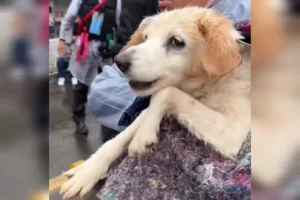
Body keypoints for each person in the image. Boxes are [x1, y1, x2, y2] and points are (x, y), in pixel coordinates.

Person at [88, 0, 251, 137]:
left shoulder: (251, 18)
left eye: (176, 42)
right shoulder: (158, 22)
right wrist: (159, 110)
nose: (160, 1)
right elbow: (103, 88)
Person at [58, 0, 121, 135]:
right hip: (86, 47)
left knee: (108, 86)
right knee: (82, 86)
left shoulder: (116, 2)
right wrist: (62, 40)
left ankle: (107, 121)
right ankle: (78, 118)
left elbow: (120, 25)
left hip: (106, 47)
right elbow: (68, 19)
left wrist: (116, 47)